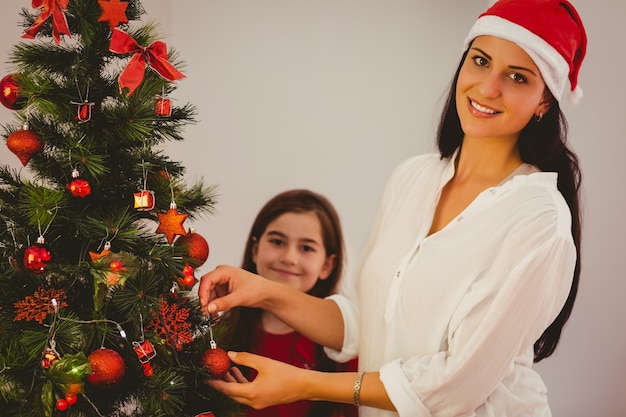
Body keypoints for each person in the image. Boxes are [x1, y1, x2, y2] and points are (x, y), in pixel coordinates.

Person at [199, 1, 587, 416]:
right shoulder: (413, 178)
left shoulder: (538, 218)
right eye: (480, 61)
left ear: (545, 101)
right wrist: (265, 293)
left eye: (517, 76)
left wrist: (304, 384)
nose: (488, 88)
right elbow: (364, 324)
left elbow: (458, 384)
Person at [220, 189, 358, 417]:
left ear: (327, 266)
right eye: (277, 241)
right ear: (255, 250)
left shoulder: (343, 348)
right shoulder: (221, 335)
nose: (289, 258)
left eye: (306, 248)